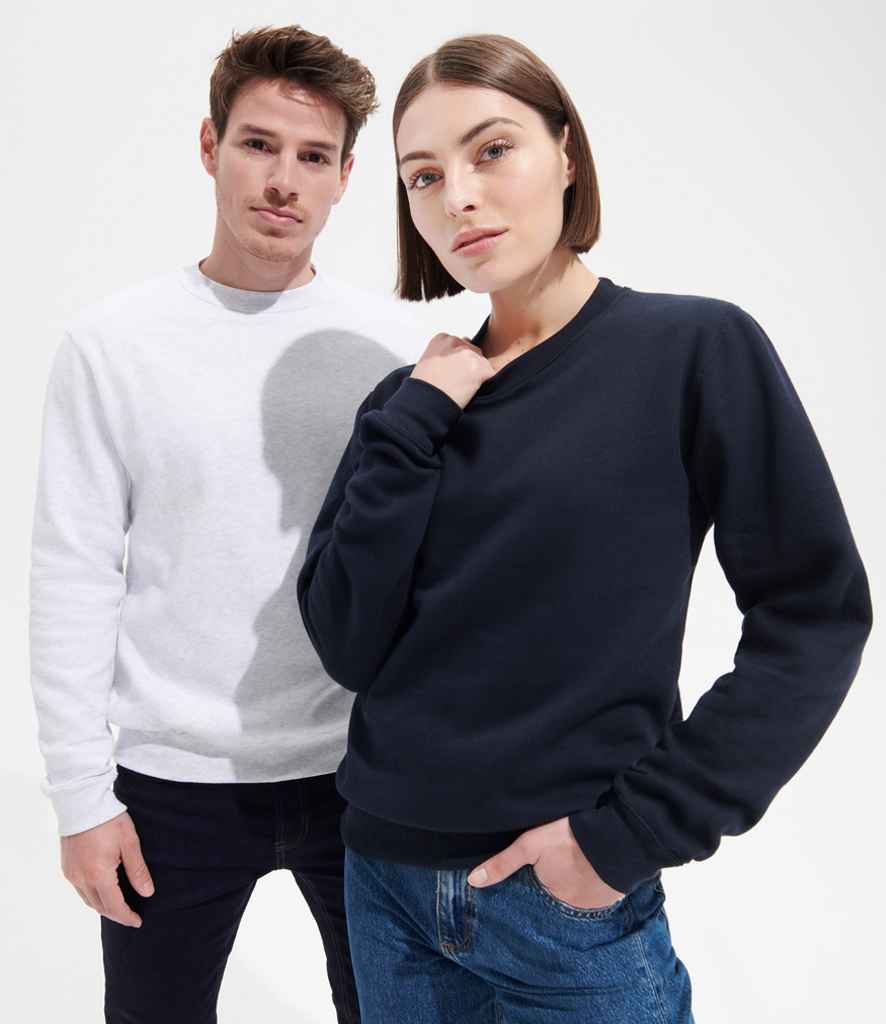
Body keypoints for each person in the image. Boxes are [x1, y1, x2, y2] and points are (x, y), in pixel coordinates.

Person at [296, 32, 874, 1023]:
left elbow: (814, 616)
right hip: (383, 884)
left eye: (492, 150)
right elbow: (348, 643)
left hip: (562, 902)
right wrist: (415, 419)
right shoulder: (407, 403)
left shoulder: (692, 350)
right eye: (423, 176)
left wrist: (633, 835)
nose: (458, 197)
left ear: (566, 154)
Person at [28, 23, 419, 1024]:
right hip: (171, 784)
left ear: (345, 178)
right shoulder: (113, 344)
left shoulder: (392, 346)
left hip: (362, 775)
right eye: (258, 145)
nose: (283, 181)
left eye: (314, 157)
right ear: (210, 147)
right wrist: (81, 796)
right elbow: (75, 570)